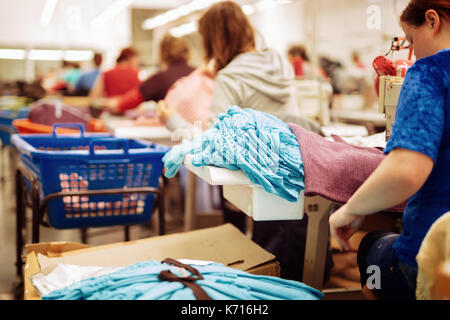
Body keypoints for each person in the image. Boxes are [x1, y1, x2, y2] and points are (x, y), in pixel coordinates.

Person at [158, 1, 330, 283]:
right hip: (300, 169)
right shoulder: (279, 62)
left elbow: (214, 143)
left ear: (213, 39)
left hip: (266, 181)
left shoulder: (229, 78)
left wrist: (173, 121)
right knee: (298, 254)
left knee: (276, 264)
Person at [329, 0, 450, 300]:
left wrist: (351, 209)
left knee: (371, 246)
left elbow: (407, 170)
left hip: (431, 261)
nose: (413, 52)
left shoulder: (430, 71)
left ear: (433, 21)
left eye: (411, 40)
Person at [101, 34, 195, 114]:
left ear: (163, 54)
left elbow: (122, 104)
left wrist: (105, 103)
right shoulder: (199, 74)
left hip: (172, 132)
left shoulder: (160, 79)